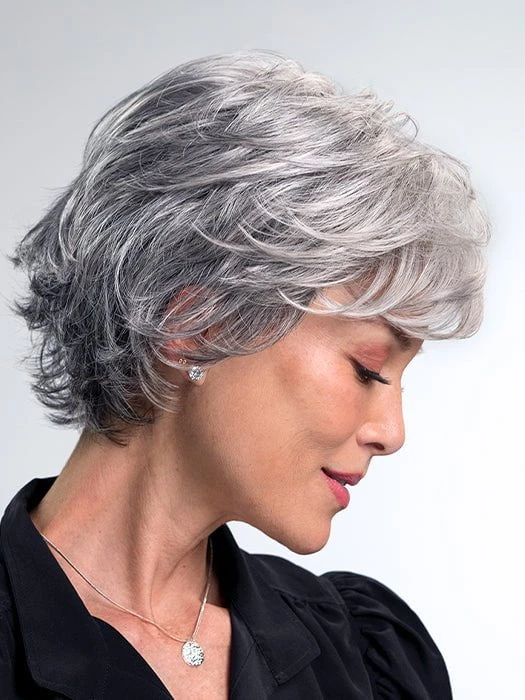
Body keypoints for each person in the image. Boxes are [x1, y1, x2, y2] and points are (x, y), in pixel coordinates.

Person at [0, 51, 488, 699]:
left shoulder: (366, 658)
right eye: (368, 369)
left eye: (402, 378)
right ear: (196, 323)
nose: (391, 432)